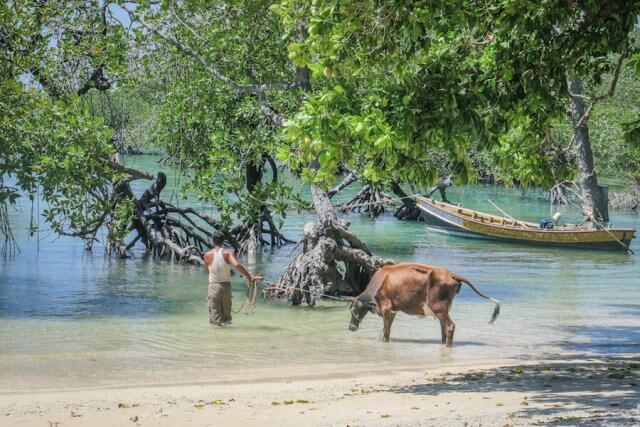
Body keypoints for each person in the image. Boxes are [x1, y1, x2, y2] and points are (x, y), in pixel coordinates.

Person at [203, 231, 263, 327]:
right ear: (223, 241)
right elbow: (237, 265)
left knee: (216, 320)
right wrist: (249, 277)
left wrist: (225, 271)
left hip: (213, 287)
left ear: (213, 241)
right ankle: (229, 339)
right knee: (227, 318)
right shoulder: (227, 252)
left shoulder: (207, 255)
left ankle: (217, 340)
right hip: (226, 287)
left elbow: (208, 271)